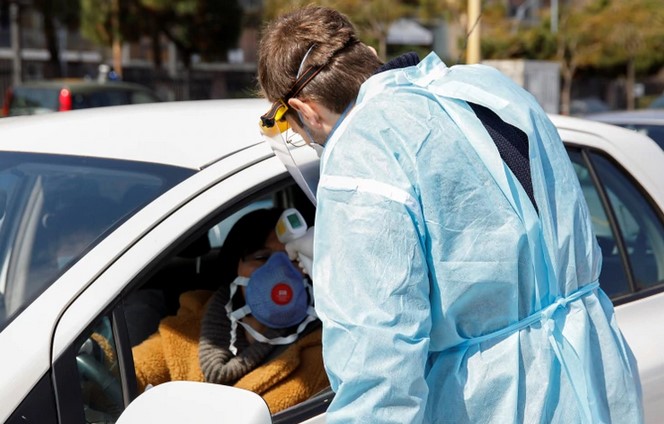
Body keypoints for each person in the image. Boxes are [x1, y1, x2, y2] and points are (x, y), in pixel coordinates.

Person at [257, 6, 643, 423]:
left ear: (305, 109)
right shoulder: (488, 87)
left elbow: (377, 367)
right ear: (366, 52)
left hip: (496, 403)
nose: (307, 139)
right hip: (596, 379)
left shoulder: (363, 150)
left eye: (292, 127)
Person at [131, 208, 328, 413]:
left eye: (294, 259)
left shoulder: (327, 352)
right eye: (261, 257)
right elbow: (132, 371)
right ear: (233, 269)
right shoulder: (185, 333)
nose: (279, 271)